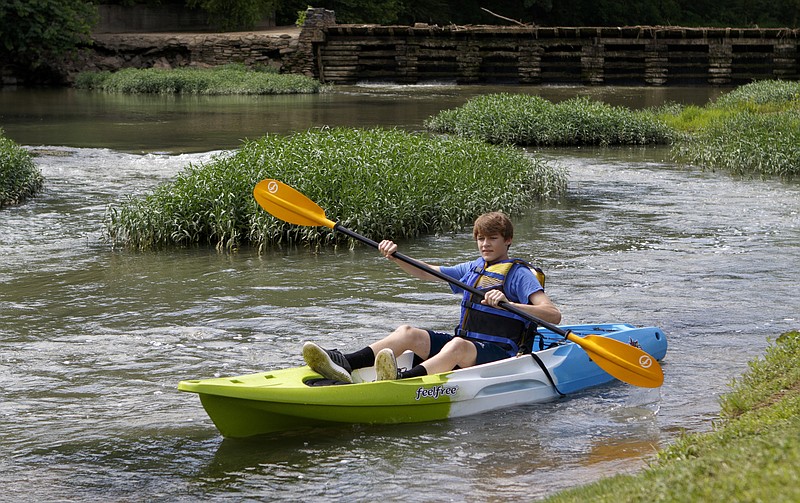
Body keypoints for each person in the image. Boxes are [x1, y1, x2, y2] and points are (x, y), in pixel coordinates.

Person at [302, 211, 561, 383]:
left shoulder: (519, 274)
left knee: (457, 346)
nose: (485, 245)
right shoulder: (472, 268)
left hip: (500, 355)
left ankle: (404, 381)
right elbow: (428, 273)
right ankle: (346, 363)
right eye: (480, 239)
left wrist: (508, 304)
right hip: (466, 347)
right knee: (408, 332)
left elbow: (553, 315)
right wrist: (394, 256)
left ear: (508, 241)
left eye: (492, 238)